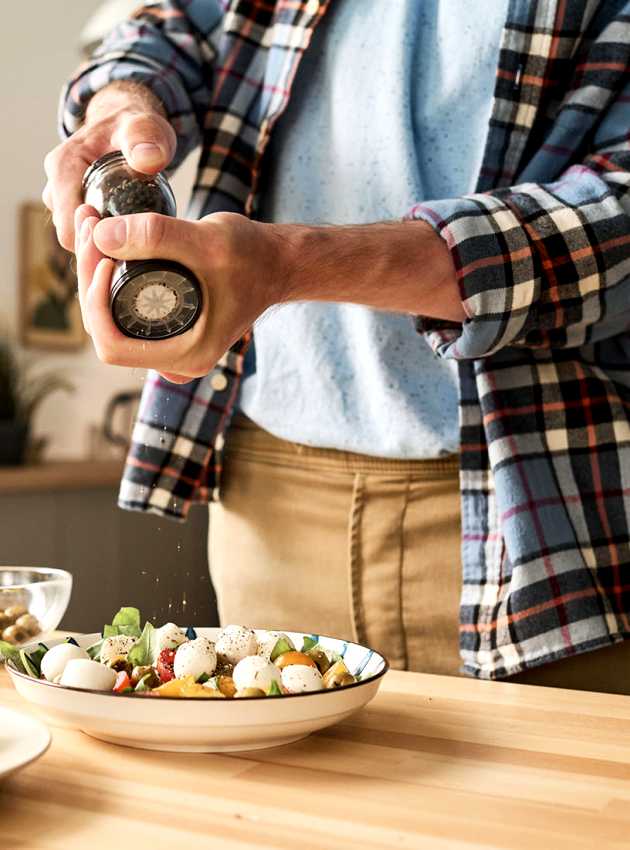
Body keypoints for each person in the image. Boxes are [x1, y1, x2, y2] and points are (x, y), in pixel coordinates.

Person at [45, 0, 630, 691]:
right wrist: (122, 100)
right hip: (268, 500)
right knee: (257, 795)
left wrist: (292, 263)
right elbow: (172, 25)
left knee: (555, 798)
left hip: (545, 510)